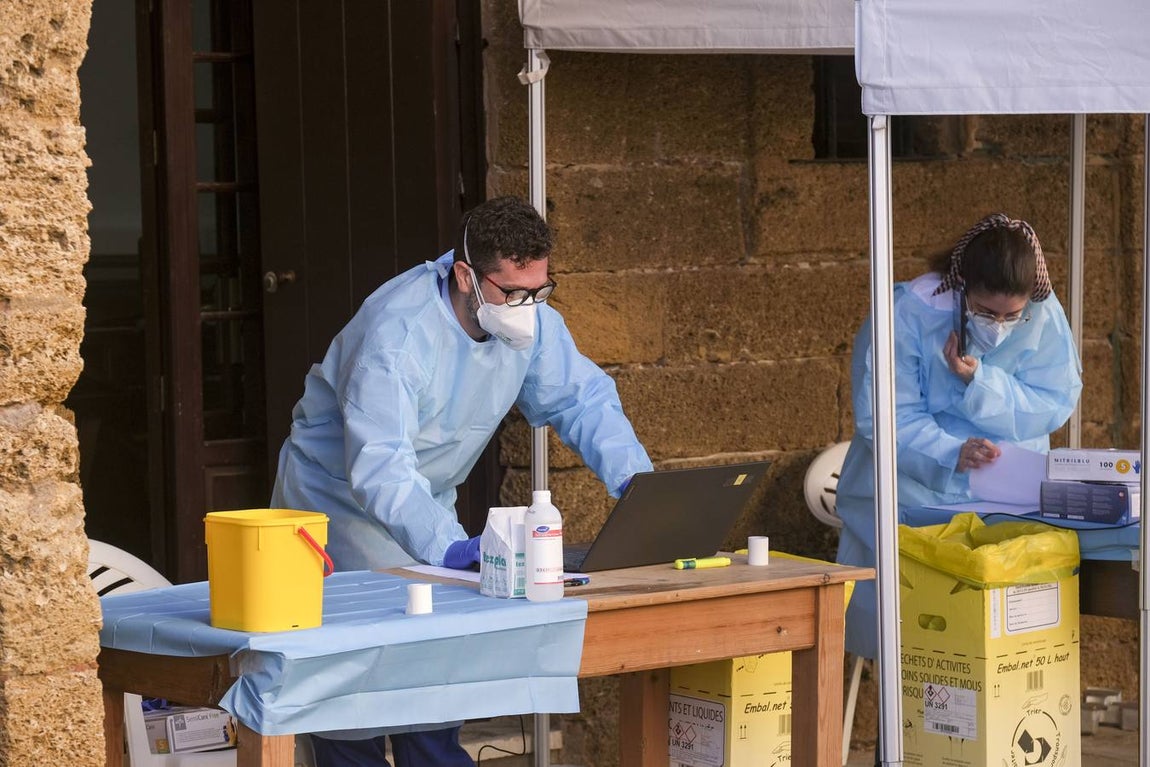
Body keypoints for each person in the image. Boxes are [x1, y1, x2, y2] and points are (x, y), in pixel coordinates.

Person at [270, 195, 653, 767]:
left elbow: (583, 400)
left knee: (432, 687)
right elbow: (380, 465)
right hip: (336, 508)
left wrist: (637, 485)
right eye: (513, 293)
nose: (527, 307)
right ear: (466, 276)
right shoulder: (397, 335)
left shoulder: (530, 322)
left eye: (540, 291)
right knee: (349, 698)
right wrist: (448, 547)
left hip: (425, 505)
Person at [835, 212, 1082, 662]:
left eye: (1012, 316)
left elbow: (1054, 398)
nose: (999, 325)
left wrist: (980, 382)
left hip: (1007, 497)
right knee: (919, 635)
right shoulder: (909, 313)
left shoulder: (1042, 313)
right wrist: (952, 452)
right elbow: (885, 416)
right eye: (986, 312)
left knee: (1003, 643)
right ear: (962, 285)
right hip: (912, 496)